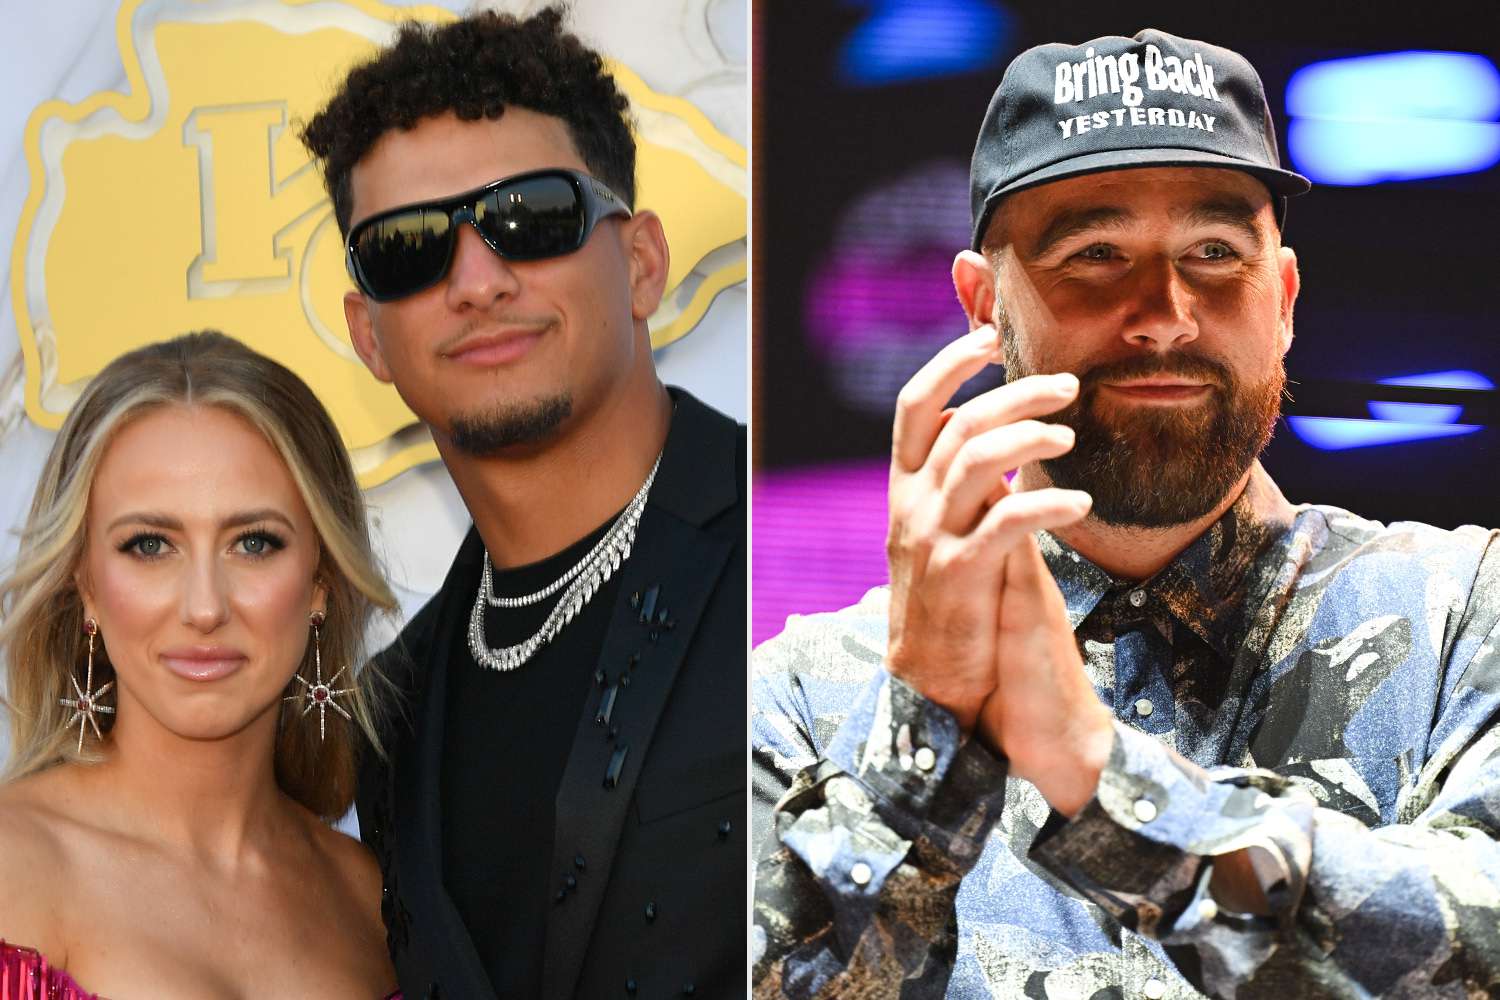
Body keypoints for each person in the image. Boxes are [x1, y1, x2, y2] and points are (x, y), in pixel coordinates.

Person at [752, 28, 1500, 999]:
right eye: (1097, 253)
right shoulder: (800, 699)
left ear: (1282, 298)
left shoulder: (1462, 618)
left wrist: (1095, 772)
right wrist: (924, 736)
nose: (1165, 313)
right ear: (985, 304)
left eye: (1216, 252)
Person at [299, 8, 746, 998]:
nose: (475, 280)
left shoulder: (822, 558)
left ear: (640, 263)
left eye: (529, 219)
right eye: (410, 249)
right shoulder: (390, 721)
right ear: (369, 334)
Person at [0, 332, 399, 998]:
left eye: (254, 542)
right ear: (86, 584)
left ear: (321, 581)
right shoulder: (15, 862)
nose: (206, 606)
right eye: (150, 544)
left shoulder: (366, 896)